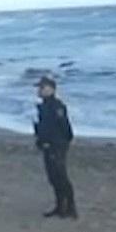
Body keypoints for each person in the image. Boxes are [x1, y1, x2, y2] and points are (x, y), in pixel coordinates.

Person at [33, 76, 77, 219]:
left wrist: (61, 143)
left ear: (51, 89)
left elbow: (65, 128)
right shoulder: (44, 106)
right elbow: (44, 127)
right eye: (39, 88)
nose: (39, 90)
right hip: (47, 145)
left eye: (42, 88)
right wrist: (40, 140)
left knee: (61, 176)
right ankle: (59, 206)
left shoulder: (57, 106)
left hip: (57, 145)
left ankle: (70, 207)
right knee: (53, 178)